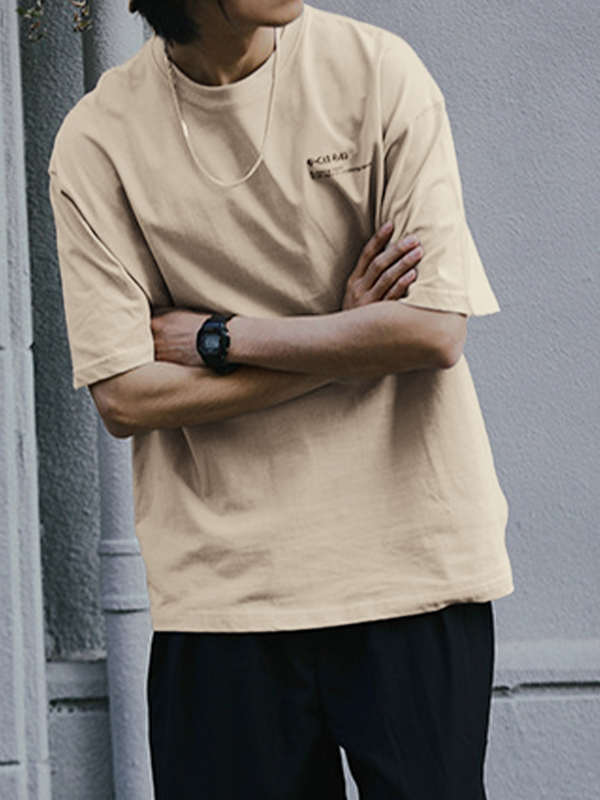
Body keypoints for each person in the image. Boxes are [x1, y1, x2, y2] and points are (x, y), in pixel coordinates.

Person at [49, 1, 513, 797]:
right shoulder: (99, 139)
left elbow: (433, 329)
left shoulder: (377, 73)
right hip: (223, 594)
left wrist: (223, 339)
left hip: (410, 567)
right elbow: (124, 396)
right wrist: (348, 335)